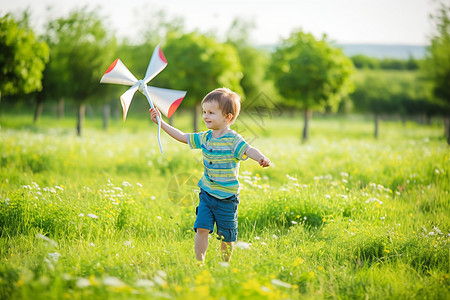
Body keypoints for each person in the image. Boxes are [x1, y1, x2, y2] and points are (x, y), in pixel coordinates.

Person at [149, 87, 270, 263]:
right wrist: (161, 122)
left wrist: (261, 158)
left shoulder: (233, 140)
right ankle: (200, 262)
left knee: (227, 237)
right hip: (207, 193)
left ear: (228, 117)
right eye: (204, 111)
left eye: (211, 113)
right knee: (202, 228)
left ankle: (223, 264)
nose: (205, 116)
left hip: (227, 197)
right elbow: (183, 137)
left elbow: (249, 149)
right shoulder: (205, 137)